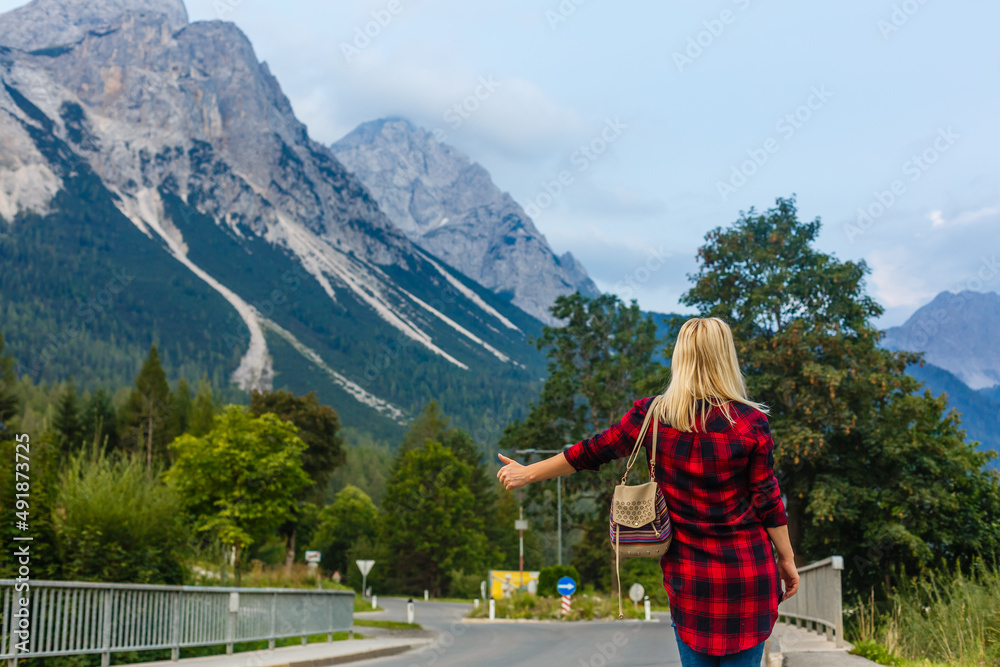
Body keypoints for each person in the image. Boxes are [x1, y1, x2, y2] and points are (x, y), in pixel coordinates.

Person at [497, 317, 799, 666]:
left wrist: (528, 472)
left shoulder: (653, 415)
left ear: (680, 358)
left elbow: (593, 450)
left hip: (689, 578)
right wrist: (787, 559)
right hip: (748, 574)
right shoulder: (750, 422)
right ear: (725, 357)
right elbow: (768, 499)